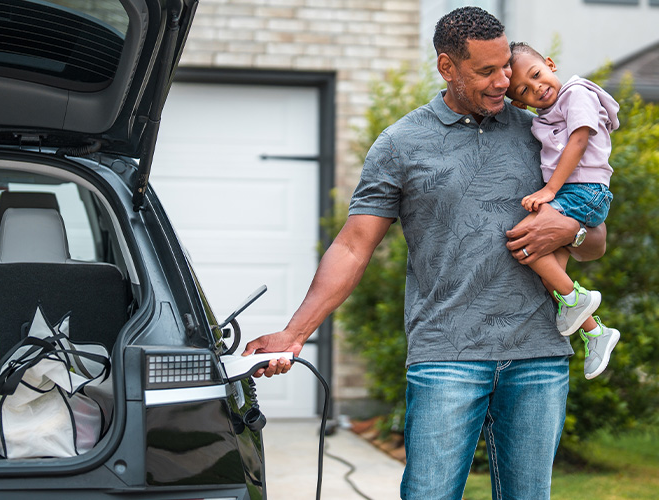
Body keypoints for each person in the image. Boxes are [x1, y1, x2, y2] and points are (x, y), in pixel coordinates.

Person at [244, 7, 605, 499]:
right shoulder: (402, 143)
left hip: (537, 353)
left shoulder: (542, 131)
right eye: (486, 71)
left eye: (506, 66)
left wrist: (570, 230)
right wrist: (294, 333)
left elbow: (595, 242)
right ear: (447, 67)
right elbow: (353, 245)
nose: (504, 81)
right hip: (446, 355)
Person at [504, 42, 622, 380]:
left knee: (523, 240)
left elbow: (579, 140)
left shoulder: (576, 93)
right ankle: (596, 333)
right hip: (575, 192)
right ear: (519, 103)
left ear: (550, 64)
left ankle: (577, 298)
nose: (536, 88)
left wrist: (550, 191)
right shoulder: (543, 117)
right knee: (551, 276)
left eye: (536, 74)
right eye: (524, 90)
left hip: (583, 191)